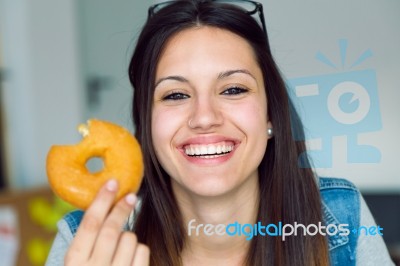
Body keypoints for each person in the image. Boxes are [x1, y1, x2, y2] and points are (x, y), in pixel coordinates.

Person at [46, 0, 394, 265]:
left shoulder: (341, 216)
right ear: (146, 124)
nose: (204, 117)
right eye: (176, 95)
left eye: (233, 90)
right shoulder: (83, 241)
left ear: (271, 113)